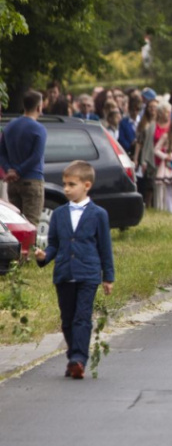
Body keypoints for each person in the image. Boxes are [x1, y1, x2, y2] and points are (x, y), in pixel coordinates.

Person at [33, 161, 114, 380]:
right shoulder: (59, 214)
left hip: (88, 274)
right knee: (67, 320)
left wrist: (108, 277)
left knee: (82, 318)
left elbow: (105, 247)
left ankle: (79, 359)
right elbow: (54, 244)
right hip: (64, 274)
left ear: (86, 185)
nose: (66, 189)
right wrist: (44, 256)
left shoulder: (99, 214)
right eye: (65, 184)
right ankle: (73, 358)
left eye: (71, 184)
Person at [0, 91, 48, 225]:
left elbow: (2, 153)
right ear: (39, 107)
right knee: (31, 223)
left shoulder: (10, 126)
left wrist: (9, 170)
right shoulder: (39, 129)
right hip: (32, 179)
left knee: (15, 223)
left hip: (13, 183)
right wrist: (19, 171)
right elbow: (36, 156)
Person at [153, 117, 172, 214]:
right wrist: (165, 156)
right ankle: (171, 211)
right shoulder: (166, 136)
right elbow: (156, 149)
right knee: (169, 190)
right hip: (168, 164)